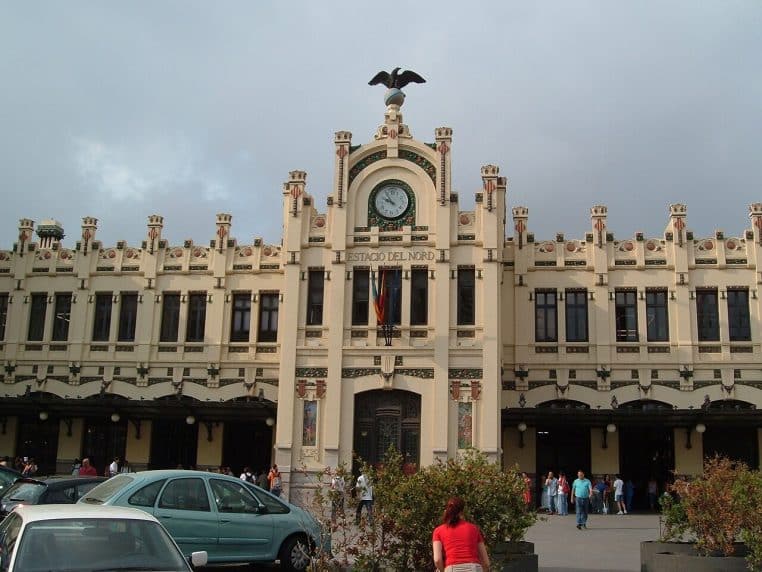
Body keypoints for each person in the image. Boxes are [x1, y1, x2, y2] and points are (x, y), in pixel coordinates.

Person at [432, 497, 490, 572]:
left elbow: (437, 559)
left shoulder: (438, 531)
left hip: (452, 568)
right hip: (474, 568)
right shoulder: (474, 529)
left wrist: (443, 570)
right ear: (462, 511)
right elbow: (486, 562)